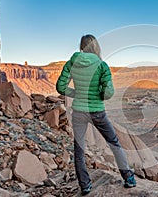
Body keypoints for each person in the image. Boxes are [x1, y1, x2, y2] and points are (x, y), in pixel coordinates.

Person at [56, 34, 136, 195]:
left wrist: (77, 93)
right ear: (95, 46)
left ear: (81, 46)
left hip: (79, 112)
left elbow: (60, 87)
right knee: (114, 143)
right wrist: (97, 94)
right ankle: (128, 178)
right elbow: (108, 92)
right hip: (97, 111)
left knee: (79, 148)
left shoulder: (72, 62)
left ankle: (85, 185)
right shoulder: (102, 65)